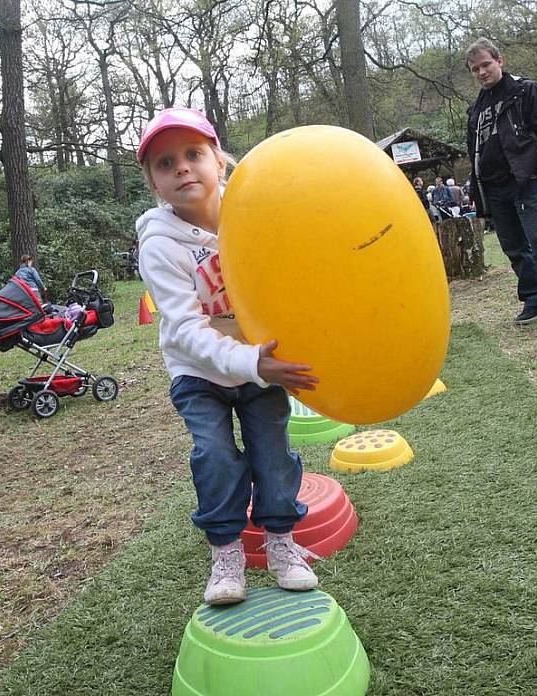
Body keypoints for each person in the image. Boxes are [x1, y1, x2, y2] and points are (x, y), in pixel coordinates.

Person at [135, 107, 320, 605]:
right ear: (153, 181)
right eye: (164, 162)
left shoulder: (255, 216)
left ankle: (282, 543)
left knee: (273, 453)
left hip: (261, 362)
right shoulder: (159, 246)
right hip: (198, 371)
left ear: (219, 160)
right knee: (215, 455)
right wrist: (251, 363)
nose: (182, 168)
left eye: (194, 154)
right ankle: (225, 552)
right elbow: (187, 331)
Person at [465, 38, 537, 326]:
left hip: (525, 181)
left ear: (500, 61)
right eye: (474, 69)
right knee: (514, 247)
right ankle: (535, 297)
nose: (481, 72)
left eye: (486, 65)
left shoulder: (524, 90)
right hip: (492, 187)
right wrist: (477, 188)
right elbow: (476, 151)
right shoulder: (476, 109)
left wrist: (535, 171)